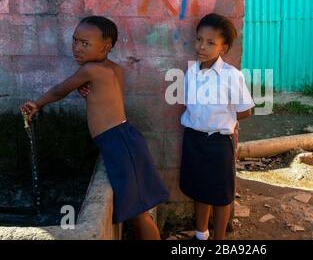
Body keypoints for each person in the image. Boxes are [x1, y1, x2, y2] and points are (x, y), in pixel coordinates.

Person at [20, 16, 169, 240]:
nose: (77, 48)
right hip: (126, 137)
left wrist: (37, 104)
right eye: (75, 41)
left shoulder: (89, 70)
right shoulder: (114, 69)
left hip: (117, 143)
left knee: (139, 215)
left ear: (106, 47)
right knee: (138, 212)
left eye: (85, 44)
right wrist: (86, 90)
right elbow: (106, 98)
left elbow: (61, 90)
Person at [179, 13, 255, 240]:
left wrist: (223, 120)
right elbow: (188, 103)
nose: (202, 46)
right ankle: (201, 234)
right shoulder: (191, 72)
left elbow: (245, 110)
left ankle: (219, 239)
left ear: (224, 47)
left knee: (221, 195)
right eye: (199, 39)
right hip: (193, 139)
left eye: (211, 42)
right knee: (199, 189)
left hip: (218, 143)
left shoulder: (232, 76)